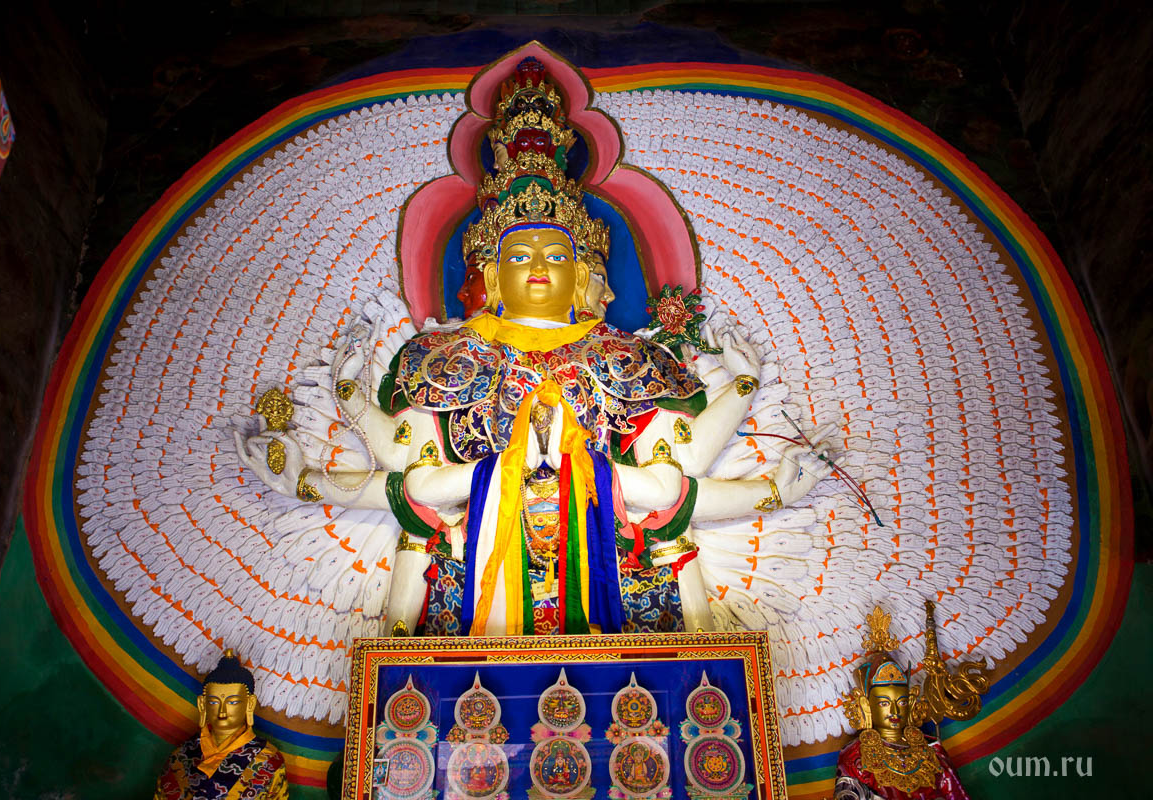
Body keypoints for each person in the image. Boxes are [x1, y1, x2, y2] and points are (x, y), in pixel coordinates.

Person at [235, 57, 836, 638]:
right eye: (519, 256)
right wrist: (327, 440)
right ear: (493, 278)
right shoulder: (442, 358)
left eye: (556, 254)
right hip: (471, 581)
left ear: (584, 273)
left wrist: (746, 406)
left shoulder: (627, 359)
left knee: (655, 513)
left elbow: (677, 477)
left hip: (616, 581)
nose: (539, 267)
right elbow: (404, 470)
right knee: (424, 502)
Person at [834, 609, 970, 800]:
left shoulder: (932, 752)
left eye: (902, 702)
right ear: (866, 705)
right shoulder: (856, 757)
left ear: (911, 702)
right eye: (884, 703)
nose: (894, 710)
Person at [155, 649, 288, 799]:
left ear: (250, 704)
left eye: (232, 702)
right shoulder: (181, 756)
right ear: (202, 704)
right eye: (214, 702)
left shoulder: (268, 760)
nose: (222, 711)